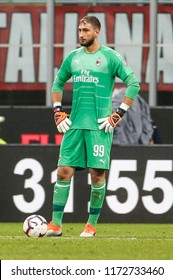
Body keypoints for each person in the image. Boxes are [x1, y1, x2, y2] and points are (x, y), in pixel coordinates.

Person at [45, 16, 140, 238]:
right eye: (79, 30)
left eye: (85, 30)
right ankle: (55, 225)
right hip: (75, 125)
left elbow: (133, 84)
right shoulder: (73, 58)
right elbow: (58, 82)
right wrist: (58, 111)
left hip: (100, 127)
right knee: (63, 172)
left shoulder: (110, 57)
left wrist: (118, 114)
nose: (81, 34)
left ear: (97, 32)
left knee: (96, 175)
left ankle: (91, 225)